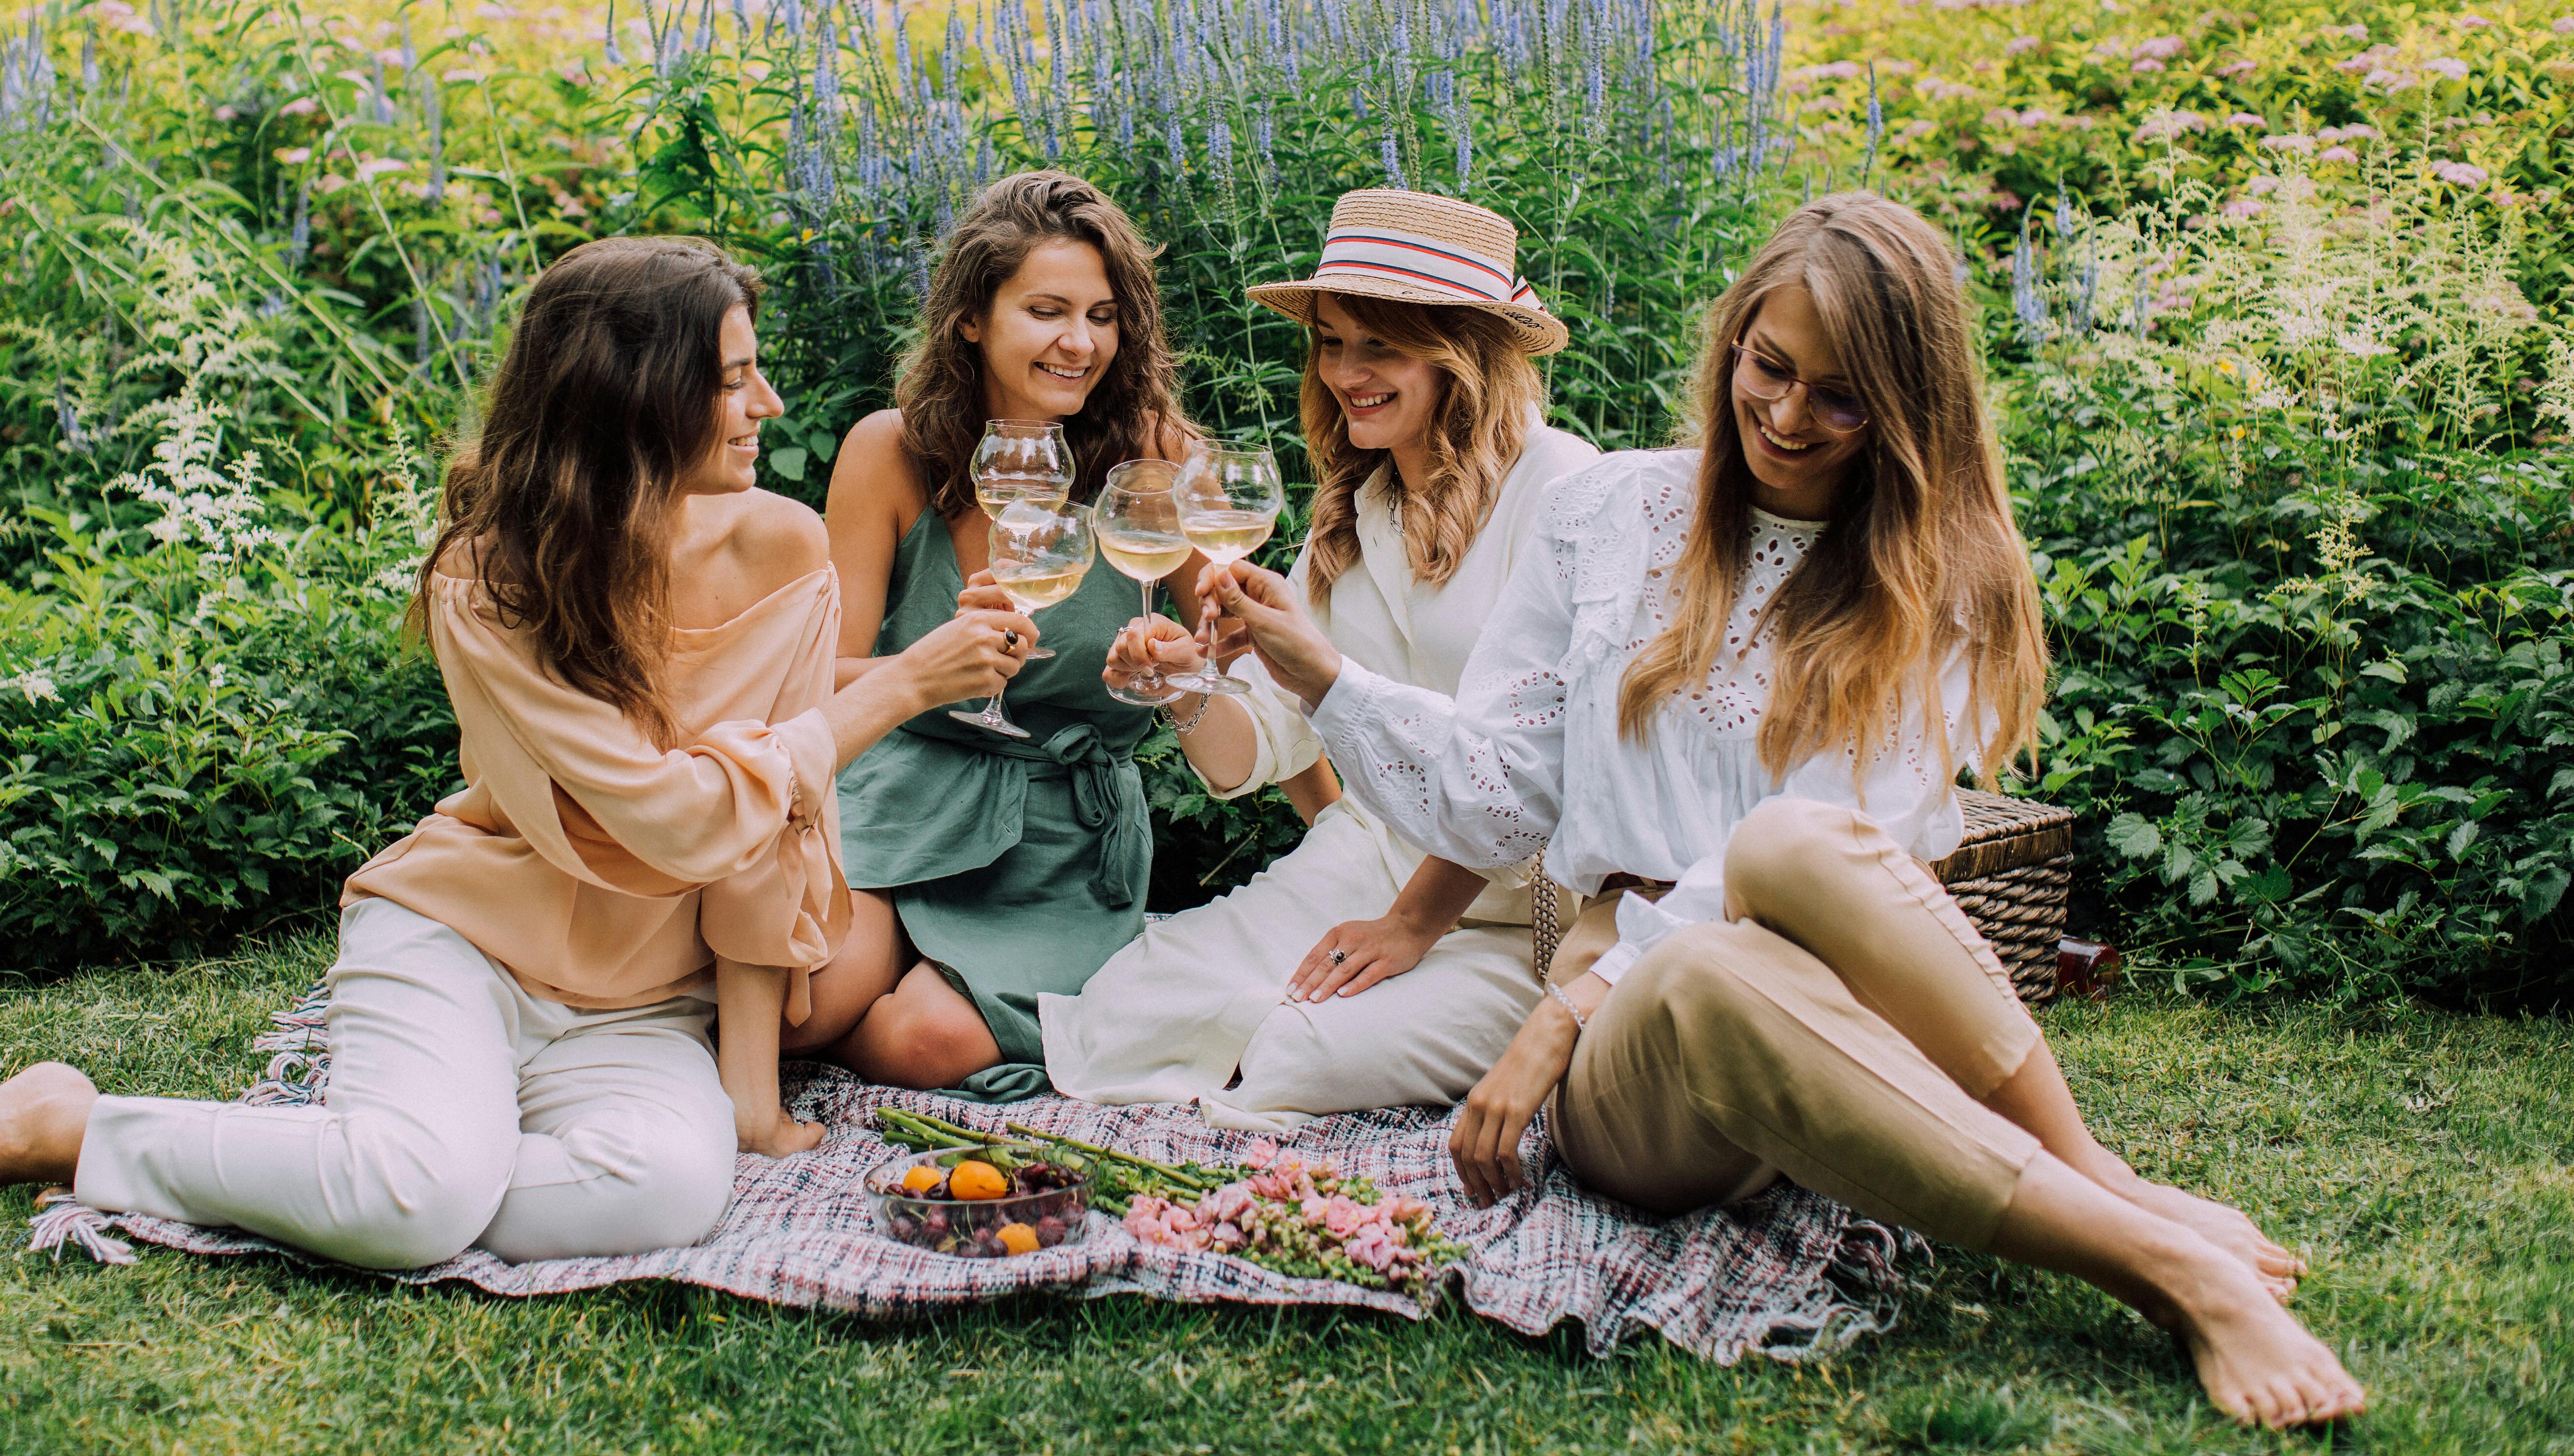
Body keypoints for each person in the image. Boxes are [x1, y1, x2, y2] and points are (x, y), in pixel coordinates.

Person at [1208, 193, 2365, 1429]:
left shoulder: (1942, 581)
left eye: (1840, 395)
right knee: (1705, 973)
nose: (1786, 415)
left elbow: (1852, 838)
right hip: (1654, 1055)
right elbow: (1497, 802)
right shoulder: (1606, 517)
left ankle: (2090, 1172)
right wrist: (1323, 679)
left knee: (1790, 842)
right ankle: (2159, 1263)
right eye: (1769, 367)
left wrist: (1553, 1020)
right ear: (1733, 348)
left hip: (1829, 995)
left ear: (1909, 415)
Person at [0, 237, 1032, 1267]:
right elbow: (676, 816)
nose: (769, 405)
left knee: (670, 1192)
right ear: (633, 397)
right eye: (733, 380)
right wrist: (906, 686)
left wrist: (751, 1108)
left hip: (640, 1007)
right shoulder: (492, 579)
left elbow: (764, 836)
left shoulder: (784, 550)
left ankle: (390, 1160)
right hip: (468, 938)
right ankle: (78, 1125)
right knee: (421, 1202)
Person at [1045, 189, 1596, 1125]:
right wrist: (1181, 687)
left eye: (1379, 344)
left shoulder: (1565, 493)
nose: (1346, 372)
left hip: (1517, 914)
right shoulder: (1359, 513)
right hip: (1369, 862)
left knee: (1295, 1058)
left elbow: (1541, 777)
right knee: (1130, 997)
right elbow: (1253, 752)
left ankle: (1367, 1026)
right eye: (1332, 342)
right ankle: (1274, 1016)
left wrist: (1412, 926)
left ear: (1463, 351)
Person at [783, 171, 1214, 1098]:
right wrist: (930, 670)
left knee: (926, 1043)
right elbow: (813, 677)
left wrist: (1184, 668)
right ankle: (879, 969)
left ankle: (937, 987)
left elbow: (1231, 640)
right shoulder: (888, 452)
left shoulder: (1152, 458)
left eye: (1102, 316)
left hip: (1061, 829)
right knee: (802, 1011)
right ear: (972, 318)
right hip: (898, 795)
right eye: (1048, 310)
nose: (1080, 342)